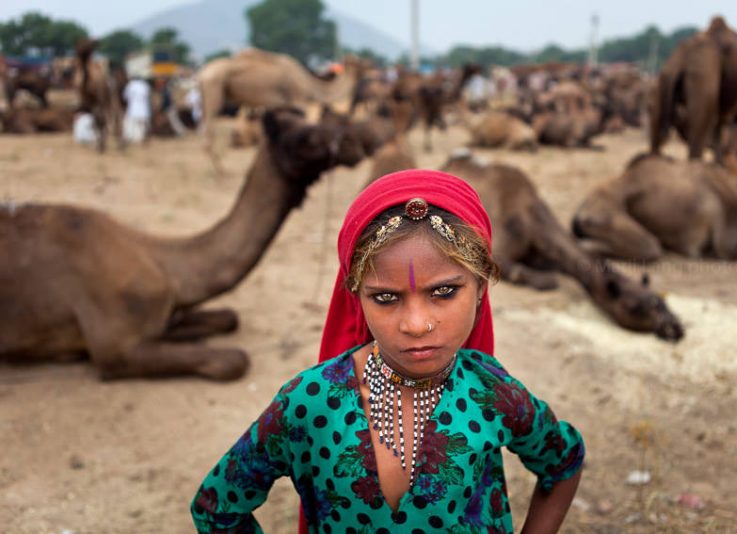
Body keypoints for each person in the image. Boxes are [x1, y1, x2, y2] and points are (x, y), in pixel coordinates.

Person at [190, 169, 585, 533]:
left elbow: (563, 461)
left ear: (481, 287)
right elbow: (217, 505)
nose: (416, 324)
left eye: (444, 292)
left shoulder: (491, 392)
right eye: (385, 298)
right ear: (355, 298)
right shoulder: (310, 403)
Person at [122, 76, 151, 143]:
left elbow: (125, 96)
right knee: (142, 126)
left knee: (130, 125)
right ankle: (140, 138)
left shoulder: (130, 85)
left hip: (133, 109)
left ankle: (131, 138)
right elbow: (148, 95)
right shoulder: (145, 85)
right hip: (144, 109)